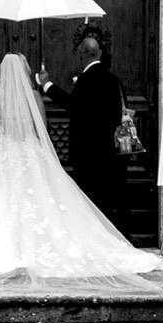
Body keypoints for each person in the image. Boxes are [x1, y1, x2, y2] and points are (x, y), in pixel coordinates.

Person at [0, 52, 163, 281]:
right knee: (40, 199)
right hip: (30, 153)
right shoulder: (33, 96)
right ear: (26, 71)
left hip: (5, 154)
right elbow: (42, 127)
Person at [38, 27, 131, 234]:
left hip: (87, 153)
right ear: (99, 53)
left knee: (91, 199)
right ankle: (121, 235)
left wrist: (47, 84)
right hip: (112, 150)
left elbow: (72, 105)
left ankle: (97, 236)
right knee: (113, 197)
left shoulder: (86, 80)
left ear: (81, 55)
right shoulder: (114, 80)